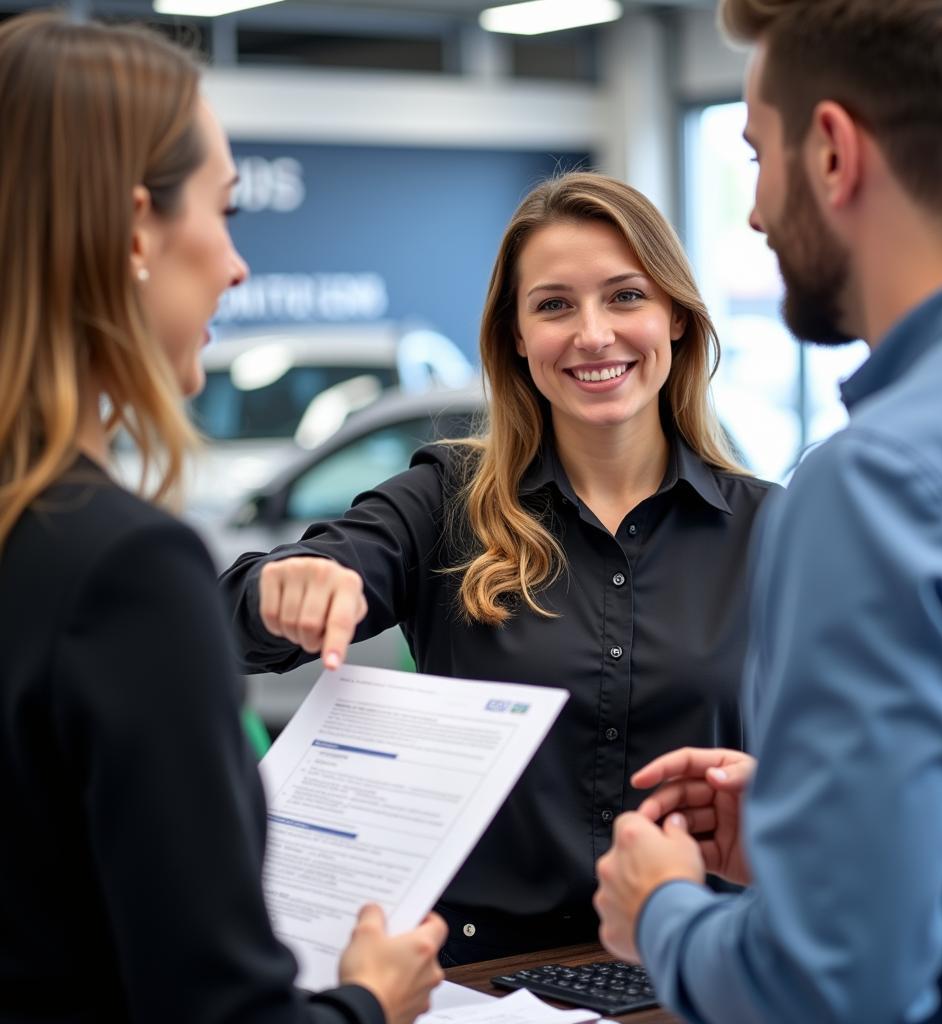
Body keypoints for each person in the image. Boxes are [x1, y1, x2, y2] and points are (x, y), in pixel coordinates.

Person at [0, 12, 446, 1023]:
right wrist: (368, 999)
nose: (238, 265)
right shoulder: (123, 568)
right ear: (132, 231)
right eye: (224, 208)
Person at [220, 172, 778, 963]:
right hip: (484, 982)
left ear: (677, 319)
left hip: (695, 973)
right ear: (515, 335)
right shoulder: (444, 501)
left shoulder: (774, 529)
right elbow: (228, 620)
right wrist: (284, 589)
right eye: (554, 305)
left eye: (625, 297)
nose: (592, 335)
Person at [593, 1, 942, 1021]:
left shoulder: (877, 482)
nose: (749, 213)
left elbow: (832, 987)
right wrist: (824, 831)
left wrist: (663, 910)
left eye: (755, 154)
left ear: (830, 152)